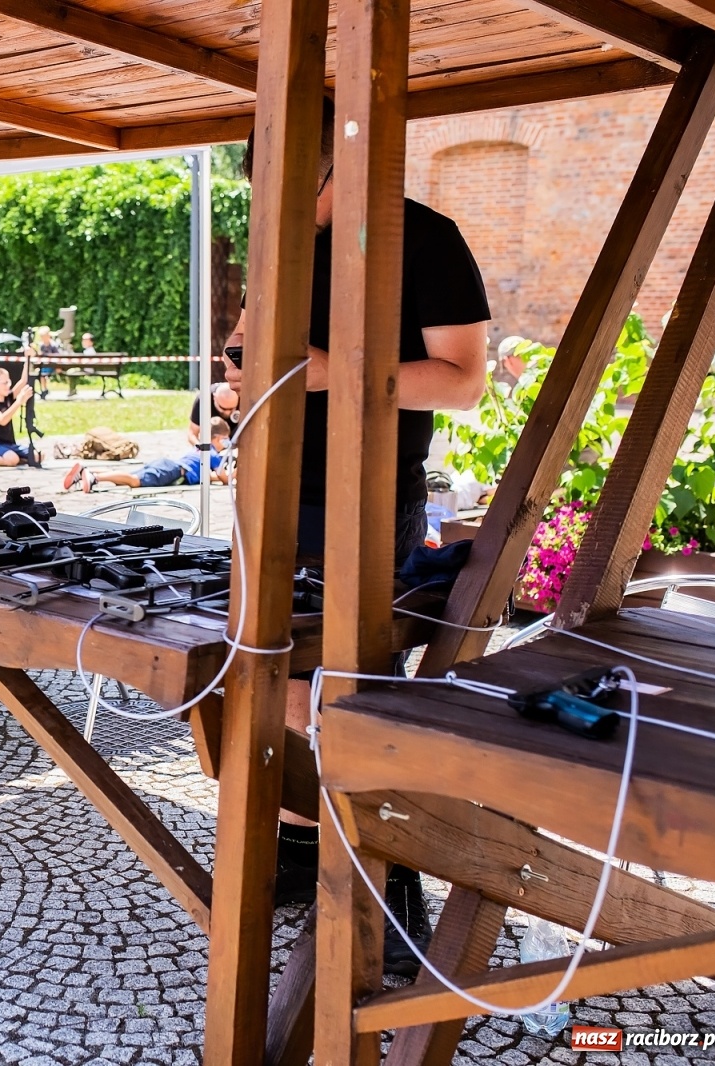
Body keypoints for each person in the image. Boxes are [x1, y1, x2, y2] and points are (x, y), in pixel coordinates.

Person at [216, 99, 490, 973]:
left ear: (343, 157)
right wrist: (235, 377)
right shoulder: (278, 236)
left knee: (348, 693)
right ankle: (304, 853)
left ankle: (391, 869)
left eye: (305, 184)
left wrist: (343, 374)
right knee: (272, 683)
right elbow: (251, 346)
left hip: (366, 503)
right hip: (271, 491)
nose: (289, 205)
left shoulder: (428, 240)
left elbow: (464, 384)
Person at [65, 412, 231, 492]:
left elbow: (208, 476)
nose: (226, 443)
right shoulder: (213, 454)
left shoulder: (200, 449)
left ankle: (87, 471)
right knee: (134, 481)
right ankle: (96, 478)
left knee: (127, 476)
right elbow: (223, 478)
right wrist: (234, 475)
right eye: (226, 439)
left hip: (168, 464)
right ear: (217, 438)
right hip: (174, 472)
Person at [0, 367, 40, 467]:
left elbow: (23, 381)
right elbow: (2, 420)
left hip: (10, 444)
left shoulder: (8, 398)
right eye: (4, 383)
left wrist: (27, 358)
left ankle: (14, 458)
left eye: (8, 381)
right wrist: (19, 401)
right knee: (13, 459)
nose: (8, 385)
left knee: (37, 457)